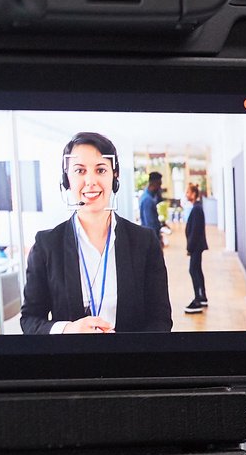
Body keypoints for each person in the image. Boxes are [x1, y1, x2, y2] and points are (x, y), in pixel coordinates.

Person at [21, 133, 173, 335]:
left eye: (100, 169)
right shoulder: (46, 245)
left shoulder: (144, 242)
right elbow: (30, 320)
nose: (90, 181)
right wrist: (68, 329)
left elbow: (160, 320)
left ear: (114, 175)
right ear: (66, 179)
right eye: (79, 171)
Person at [183, 181, 209, 315]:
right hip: (196, 246)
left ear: (193, 194)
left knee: (193, 270)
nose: (186, 194)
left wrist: (190, 247)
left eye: (188, 192)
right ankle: (202, 296)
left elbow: (196, 231)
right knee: (197, 269)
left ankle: (197, 299)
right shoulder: (196, 208)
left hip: (196, 246)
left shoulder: (197, 209)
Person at [137, 167, 166, 236]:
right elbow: (150, 225)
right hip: (151, 237)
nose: (160, 187)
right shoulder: (147, 200)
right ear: (153, 183)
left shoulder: (149, 197)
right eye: (159, 184)